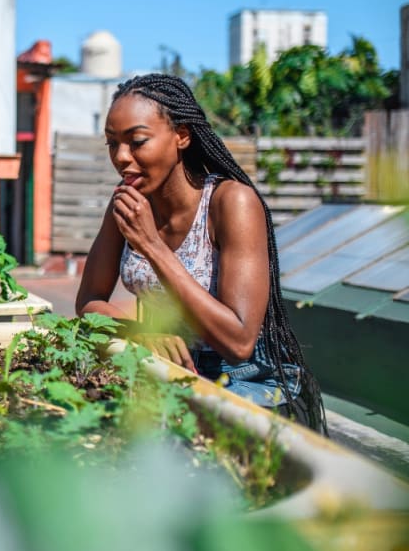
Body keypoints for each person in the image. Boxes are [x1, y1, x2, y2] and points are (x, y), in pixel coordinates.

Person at [75, 73, 326, 432]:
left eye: (137, 141)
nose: (121, 157)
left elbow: (238, 341)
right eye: (112, 144)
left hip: (242, 380)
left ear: (182, 136)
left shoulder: (232, 203)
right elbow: (88, 303)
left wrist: (151, 246)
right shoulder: (128, 205)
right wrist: (138, 333)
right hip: (168, 369)